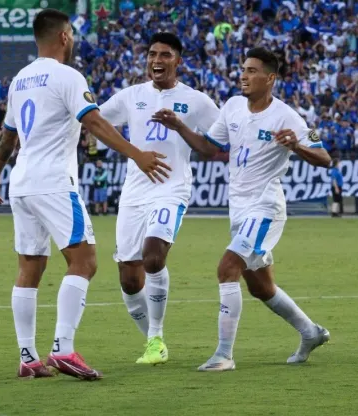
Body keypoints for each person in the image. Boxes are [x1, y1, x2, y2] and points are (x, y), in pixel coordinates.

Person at [0, 9, 170, 381]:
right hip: (54, 182)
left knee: (29, 268)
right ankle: (63, 349)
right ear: (65, 36)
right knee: (84, 260)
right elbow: (94, 121)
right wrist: (138, 154)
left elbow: (7, 136)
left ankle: (27, 356)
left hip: (21, 183)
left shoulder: (20, 80)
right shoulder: (68, 76)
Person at [153, 47, 332, 372]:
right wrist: (179, 127)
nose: (244, 76)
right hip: (239, 210)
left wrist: (297, 145)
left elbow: (325, 156)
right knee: (260, 286)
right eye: (243, 70)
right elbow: (210, 147)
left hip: (265, 208)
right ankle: (311, 332)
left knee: (227, 267)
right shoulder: (233, 107)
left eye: (252, 71)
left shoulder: (288, 116)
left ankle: (224, 355)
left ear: (270, 78)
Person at [99, 32, 220, 365]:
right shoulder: (130, 96)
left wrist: (180, 127)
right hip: (135, 192)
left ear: (178, 60)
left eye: (165, 55)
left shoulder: (196, 101)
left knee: (153, 257)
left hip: (171, 188)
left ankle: (155, 337)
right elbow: (95, 121)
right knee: (128, 277)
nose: (157, 60)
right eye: (152, 54)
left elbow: (213, 147)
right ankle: (154, 342)